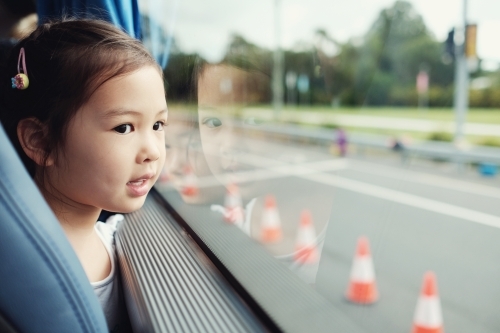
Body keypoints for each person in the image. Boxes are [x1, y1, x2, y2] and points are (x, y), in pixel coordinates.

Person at [0, 18, 167, 333]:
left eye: (158, 125)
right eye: (124, 127)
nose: (153, 151)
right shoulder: (43, 280)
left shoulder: (108, 235)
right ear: (41, 141)